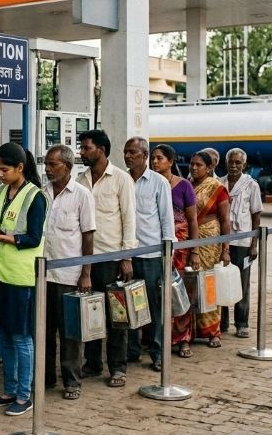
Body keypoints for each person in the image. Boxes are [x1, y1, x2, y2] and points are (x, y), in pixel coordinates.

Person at [0, 142, 47, 416]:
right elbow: (1, 225)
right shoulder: (0, 191)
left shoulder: (36, 197)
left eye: (5, 169)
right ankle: (9, 390)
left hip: (20, 276)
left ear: (20, 167)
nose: (0, 174)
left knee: (21, 337)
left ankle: (24, 395)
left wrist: (0, 237)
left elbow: (33, 238)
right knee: (4, 334)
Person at [76, 129, 136, 388]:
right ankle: (92, 363)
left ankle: (118, 368)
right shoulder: (80, 179)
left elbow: (129, 219)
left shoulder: (121, 179)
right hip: (86, 259)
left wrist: (126, 256)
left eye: (86, 148)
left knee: (116, 316)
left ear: (101, 150)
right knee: (90, 313)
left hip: (113, 258)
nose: (81, 152)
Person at [42, 145, 95, 400]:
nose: (48, 169)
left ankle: (72, 381)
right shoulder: (42, 193)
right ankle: (46, 378)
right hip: (43, 272)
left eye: (53, 165)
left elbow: (88, 236)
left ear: (68, 167)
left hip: (69, 274)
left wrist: (86, 273)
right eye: (46, 164)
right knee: (44, 330)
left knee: (69, 333)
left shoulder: (82, 195)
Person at [123, 137, 174, 372]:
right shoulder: (121, 180)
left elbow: (166, 219)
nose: (128, 156)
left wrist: (168, 253)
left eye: (132, 152)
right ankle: (131, 350)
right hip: (126, 253)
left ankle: (157, 352)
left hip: (151, 254)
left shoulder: (159, 182)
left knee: (153, 306)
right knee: (127, 304)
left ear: (144, 155)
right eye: (126, 152)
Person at [151, 144, 200, 358]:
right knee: (156, 292)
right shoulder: (149, 183)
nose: (155, 162)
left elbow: (192, 220)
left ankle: (182, 339)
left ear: (170, 162)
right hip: (155, 245)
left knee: (179, 291)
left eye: (159, 158)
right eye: (153, 158)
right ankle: (159, 339)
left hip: (179, 248)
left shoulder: (183, 186)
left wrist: (194, 250)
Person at [189, 150, 231, 348]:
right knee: (190, 284)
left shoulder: (217, 187)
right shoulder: (187, 185)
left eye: (199, 165)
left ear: (209, 168)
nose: (194, 168)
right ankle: (189, 330)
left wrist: (226, 249)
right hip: (188, 239)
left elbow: (225, 220)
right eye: (192, 164)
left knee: (208, 283)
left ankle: (213, 331)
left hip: (210, 241)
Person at [219, 148, 262, 338]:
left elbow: (256, 216)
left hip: (243, 241)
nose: (234, 166)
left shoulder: (251, 185)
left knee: (242, 283)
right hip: (221, 240)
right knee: (221, 280)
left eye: (238, 163)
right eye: (231, 162)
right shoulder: (219, 182)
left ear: (244, 165)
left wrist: (254, 244)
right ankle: (222, 323)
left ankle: (242, 323)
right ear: (226, 163)